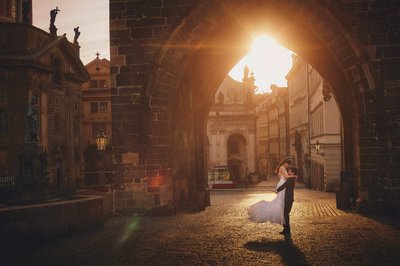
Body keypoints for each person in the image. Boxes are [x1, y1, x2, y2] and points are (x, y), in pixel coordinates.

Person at [247, 157, 296, 225]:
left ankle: (284, 222)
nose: (288, 166)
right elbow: (285, 177)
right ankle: (284, 221)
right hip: (282, 184)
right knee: (280, 202)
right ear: (286, 163)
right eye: (288, 164)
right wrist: (293, 175)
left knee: (280, 202)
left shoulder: (282, 167)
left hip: (282, 184)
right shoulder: (282, 167)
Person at [276, 167, 298, 235]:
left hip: (288, 199)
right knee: (285, 214)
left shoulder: (291, 179)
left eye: (290, 170)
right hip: (289, 198)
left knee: (286, 214)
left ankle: (287, 230)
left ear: (293, 172)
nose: (288, 171)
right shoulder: (292, 178)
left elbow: (284, 185)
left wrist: (277, 190)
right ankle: (286, 229)